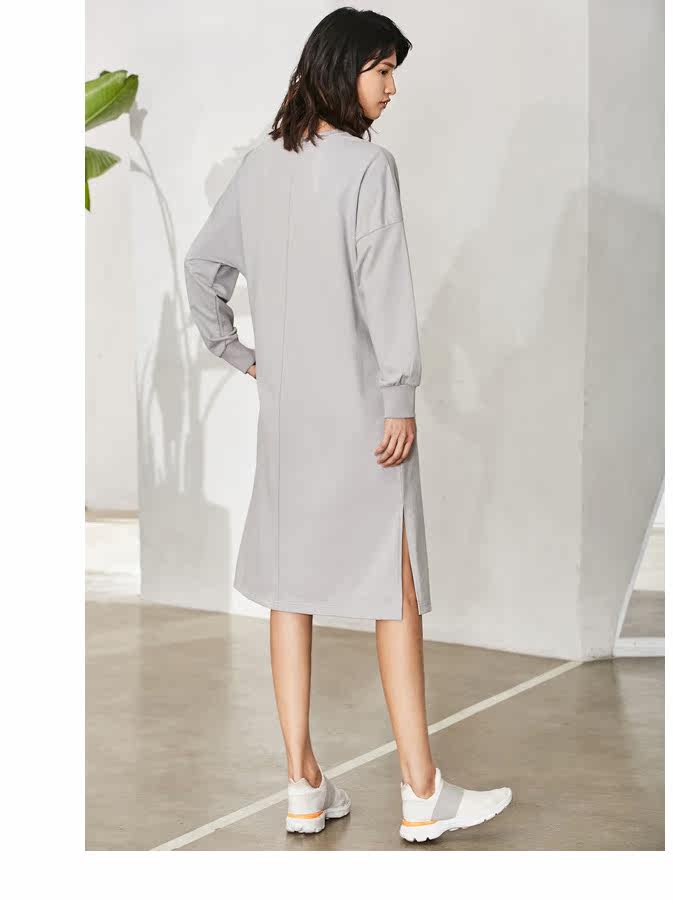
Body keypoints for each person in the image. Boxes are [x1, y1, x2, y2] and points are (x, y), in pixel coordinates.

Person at [184, 6, 511, 843]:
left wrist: (239, 353)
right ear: (341, 68)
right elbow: (384, 286)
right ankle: (421, 789)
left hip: (289, 422)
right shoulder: (368, 167)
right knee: (395, 590)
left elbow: (202, 266)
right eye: (382, 70)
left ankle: (303, 783)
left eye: (395, 71)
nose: (392, 88)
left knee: (288, 592)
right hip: (366, 418)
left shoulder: (260, 165)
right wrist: (399, 395)